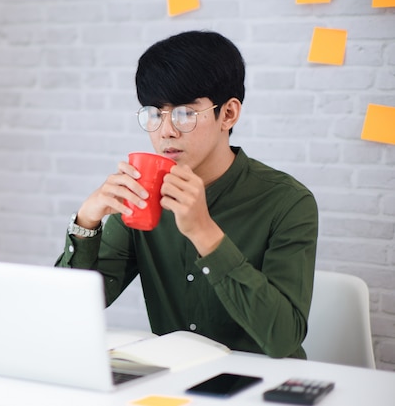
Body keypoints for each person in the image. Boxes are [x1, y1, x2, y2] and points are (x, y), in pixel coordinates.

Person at [55, 30, 318, 359]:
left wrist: (204, 232)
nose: (166, 130)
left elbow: (282, 339)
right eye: (154, 113)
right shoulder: (142, 197)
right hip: (175, 380)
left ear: (229, 114)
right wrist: (87, 221)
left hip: (261, 383)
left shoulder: (287, 202)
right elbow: (68, 311)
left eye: (184, 113)